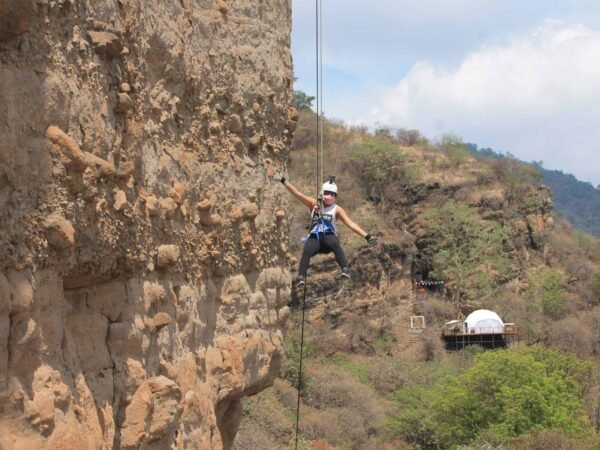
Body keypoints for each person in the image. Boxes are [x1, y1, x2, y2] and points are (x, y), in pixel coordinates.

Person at [269, 167, 377, 286]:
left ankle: (345, 268)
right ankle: (301, 276)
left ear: (335, 197)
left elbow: (350, 223)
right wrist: (283, 180)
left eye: (332, 194)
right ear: (322, 193)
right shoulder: (313, 204)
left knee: (335, 243)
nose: (329, 196)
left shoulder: (337, 209)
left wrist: (367, 236)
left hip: (329, 239)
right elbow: (297, 193)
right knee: (307, 250)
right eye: (326, 193)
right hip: (315, 238)